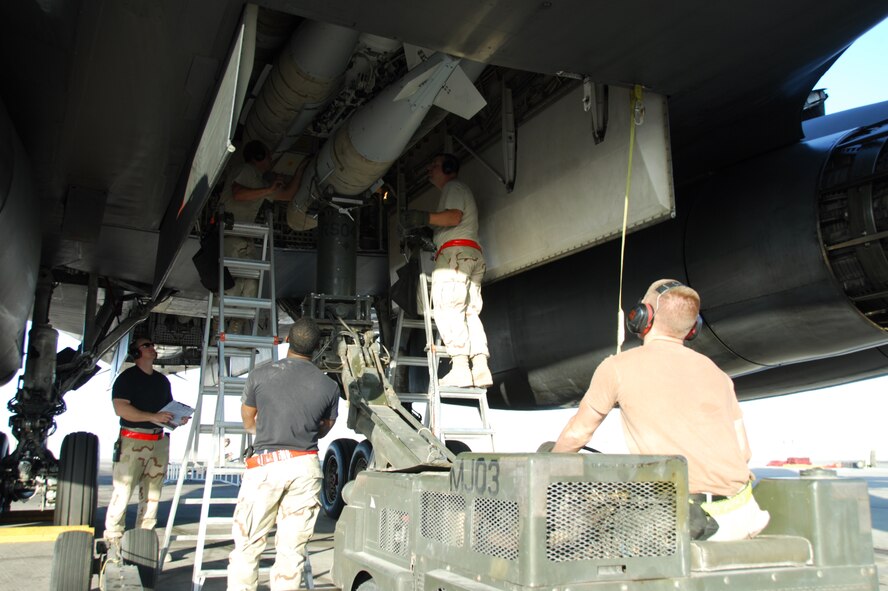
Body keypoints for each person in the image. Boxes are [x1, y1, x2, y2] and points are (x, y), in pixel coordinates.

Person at [552, 279, 770, 541]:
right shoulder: (719, 375)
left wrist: (545, 473)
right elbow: (744, 452)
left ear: (642, 316)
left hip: (688, 522)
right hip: (742, 516)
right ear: (692, 329)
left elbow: (576, 436)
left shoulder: (617, 367)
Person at [227, 318, 340, 591]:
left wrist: (269, 432)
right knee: (292, 552)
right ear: (318, 347)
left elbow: (248, 421)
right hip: (305, 465)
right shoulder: (329, 386)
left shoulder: (260, 375)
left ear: (288, 339)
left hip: (266, 465)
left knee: (248, 545)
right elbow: (324, 428)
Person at [399, 153, 492, 388]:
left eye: (434, 165)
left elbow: (453, 217)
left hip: (455, 257)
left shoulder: (453, 187)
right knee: (469, 314)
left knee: (447, 308)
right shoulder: (457, 190)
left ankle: (460, 368)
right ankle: (480, 368)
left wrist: (422, 217)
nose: (429, 168)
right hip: (470, 255)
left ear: (449, 168)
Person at [105, 337, 187, 556]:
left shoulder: (162, 381)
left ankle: (144, 545)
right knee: (122, 492)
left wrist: (175, 418)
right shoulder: (127, 379)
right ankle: (113, 540)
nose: (153, 348)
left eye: (152, 345)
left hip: (158, 442)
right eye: (147, 346)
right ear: (137, 352)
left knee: (152, 496)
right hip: (133, 441)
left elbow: (165, 410)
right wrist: (153, 416)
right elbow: (122, 409)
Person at [220, 140, 306, 333]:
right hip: (231, 236)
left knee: (251, 286)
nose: (271, 160)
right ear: (259, 157)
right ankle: (221, 325)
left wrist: (300, 170)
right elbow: (238, 194)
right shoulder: (246, 170)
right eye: (268, 156)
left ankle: (236, 327)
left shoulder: (258, 181)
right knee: (232, 286)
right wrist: (268, 189)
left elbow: (287, 195)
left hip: (244, 239)